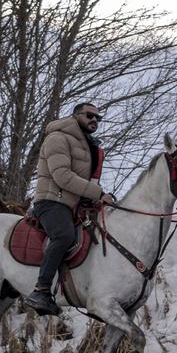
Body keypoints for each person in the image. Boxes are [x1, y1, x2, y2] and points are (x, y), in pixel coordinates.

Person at [22, 102, 115, 316]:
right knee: (64, 235)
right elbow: (62, 176)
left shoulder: (88, 145)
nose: (94, 120)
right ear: (75, 116)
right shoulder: (58, 138)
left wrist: (96, 199)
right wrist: (98, 193)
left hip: (75, 204)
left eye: (98, 118)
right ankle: (41, 290)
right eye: (90, 115)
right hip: (52, 201)